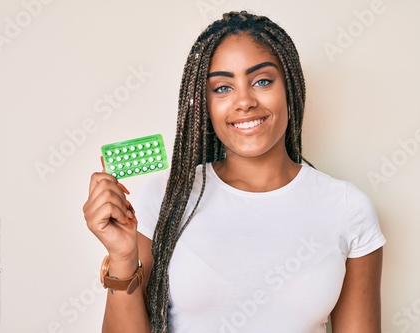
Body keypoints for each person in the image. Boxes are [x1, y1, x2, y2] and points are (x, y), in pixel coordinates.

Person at [83, 10, 386, 333]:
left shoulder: (348, 208)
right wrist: (122, 256)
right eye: (223, 88)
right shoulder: (165, 197)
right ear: (205, 104)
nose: (244, 101)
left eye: (262, 81)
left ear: (290, 88)